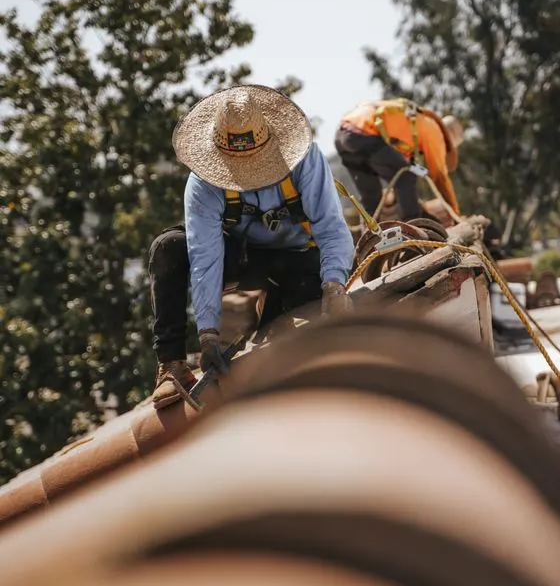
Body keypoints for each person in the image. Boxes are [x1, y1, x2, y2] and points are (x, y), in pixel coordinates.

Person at [148, 84, 355, 408]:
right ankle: (171, 366)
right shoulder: (204, 183)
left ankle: (276, 320)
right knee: (169, 247)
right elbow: (205, 256)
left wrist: (334, 286)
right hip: (245, 259)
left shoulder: (304, 160)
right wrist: (208, 334)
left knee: (288, 347)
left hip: (299, 261)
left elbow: (331, 229)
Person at [334, 99, 464, 222]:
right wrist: (455, 213)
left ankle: (369, 235)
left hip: (343, 134)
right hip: (363, 132)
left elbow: (407, 164)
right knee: (406, 177)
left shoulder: (413, 124)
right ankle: (414, 226)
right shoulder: (435, 132)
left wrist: (424, 173)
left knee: (372, 195)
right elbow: (440, 177)